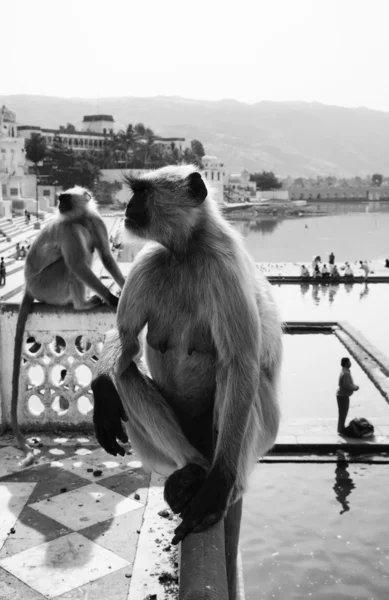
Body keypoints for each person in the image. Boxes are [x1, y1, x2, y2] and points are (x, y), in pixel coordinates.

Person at [336, 357, 359, 434]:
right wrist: (355, 388)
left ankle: (341, 428)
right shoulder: (346, 373)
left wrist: (354, 386)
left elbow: (349, 383)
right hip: (343, 396)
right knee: (343, 412)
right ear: (346, 363)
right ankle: (341, 429)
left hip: (342, 395)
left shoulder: (344, 371)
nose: (350, 363)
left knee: (342, 412)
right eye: (349, 362)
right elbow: (346, 385)